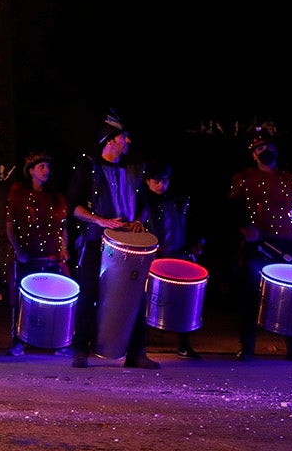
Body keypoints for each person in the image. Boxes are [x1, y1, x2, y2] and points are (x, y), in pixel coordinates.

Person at [66, 110, 159, 369]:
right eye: (124, 137)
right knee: (89, 294)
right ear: (111, 140)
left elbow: (143, 203)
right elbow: (73, 206)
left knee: (135, 297)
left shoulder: (132, 170)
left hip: (129, 245)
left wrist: (139, 219)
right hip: (98, 242)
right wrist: (100, 221)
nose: (128, 141)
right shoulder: (87, 167)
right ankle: (81, 349)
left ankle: (136, 352)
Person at [227, 126, 292, 363]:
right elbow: (230, 209)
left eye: (268, 146)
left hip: (288, 242)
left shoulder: (291, 179)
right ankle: (247, 346)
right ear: (253, 154)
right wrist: (243, 228)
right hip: (259, 243)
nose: (264, 150)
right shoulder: (244, 179)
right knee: (251, 293)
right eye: (259, 148)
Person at [4, 149, 71, 357]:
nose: (46, 170)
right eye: (42, 167)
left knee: (54, 300)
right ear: (31, 170)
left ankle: (57, 342)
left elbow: (62, 226)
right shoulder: (18, 194)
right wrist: (18, 250)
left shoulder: (55, 196)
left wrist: (63, 248)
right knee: (24, 301)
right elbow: (9, 225)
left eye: (48, 167)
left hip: (50, 255)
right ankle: (19, 341)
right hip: (26, 255)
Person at [141, 159, 205, 359]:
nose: (162, 185)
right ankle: (139, 346)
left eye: (165, 181)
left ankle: (184, 344)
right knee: (145, 300)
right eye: (157, 181)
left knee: (183, 301)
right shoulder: (141, 203)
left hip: (176, 254)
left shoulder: (176, 201)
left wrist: (195, 243)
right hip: (151, 257)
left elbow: (187, 224)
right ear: (148, 181)